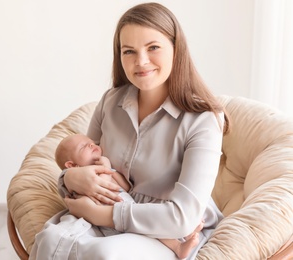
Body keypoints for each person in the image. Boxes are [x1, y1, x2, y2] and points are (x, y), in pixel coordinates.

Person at [31, 2, 230, 260]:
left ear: (176, 48)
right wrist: (68, 179)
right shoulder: (110, 102)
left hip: (167, 233)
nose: (141, 61)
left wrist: (102, 214)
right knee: (50, 238)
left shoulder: (204, 120)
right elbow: (81, 164)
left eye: (153, 47)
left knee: (106, 254)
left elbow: (182, 217)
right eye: (129, 51)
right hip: (105, 218)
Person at [55, 133, 204, 259]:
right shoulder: (83, 181)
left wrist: (112, 171)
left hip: (129, 208)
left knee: (152, 226)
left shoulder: (104, 168)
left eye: (91, 142)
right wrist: (106, 168)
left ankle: (181, 238)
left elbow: (125, 187)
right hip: (112, 224)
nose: (90, 145)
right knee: (148, 231)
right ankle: (178, 245)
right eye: (83, 147)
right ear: (72, 166)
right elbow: (103, 188)